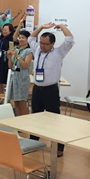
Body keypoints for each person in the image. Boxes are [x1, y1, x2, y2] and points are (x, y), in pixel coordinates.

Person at [28, 22, 74, 156]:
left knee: (55, 120)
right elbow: (31, 38)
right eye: (41, 43)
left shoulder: (59, 52)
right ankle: (33, 142)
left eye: (46, 44)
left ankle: (59, 147)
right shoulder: (37, 50)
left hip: (50, 90)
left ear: (52, 44)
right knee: (36, 116)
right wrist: (41, 27)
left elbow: (70, 39)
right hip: (37, 89)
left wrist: (62, 27)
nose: (42, 46)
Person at [7, 27, 33, 116]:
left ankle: (24, 124)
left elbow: (25, 65)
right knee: (16, 103)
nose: (21, 39)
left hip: (22, 79)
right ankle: (18, 122)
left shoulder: (29, 51)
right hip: (14, 78)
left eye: (23, 38)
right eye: (20, 37)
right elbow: (10, 66)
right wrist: (10, 57)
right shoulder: (17, 49)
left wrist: (17, 56)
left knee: (22, 103)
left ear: (28, 39)